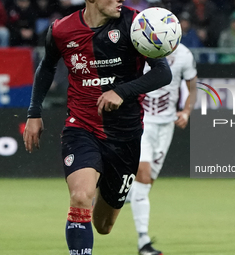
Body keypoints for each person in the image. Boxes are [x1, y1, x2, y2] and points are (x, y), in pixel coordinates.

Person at [23, 1, 172, 254]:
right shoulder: (61, 30)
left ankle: (104, 183)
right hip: (81, 127)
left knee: (103, 225)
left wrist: (121, 92)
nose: (120, 1)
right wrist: (34, 112)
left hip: (125, 135)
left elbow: (162, 73)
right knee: (81, 196)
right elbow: (47, 66)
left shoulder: (135, 23)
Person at [127, 42, 197, 255]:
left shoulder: (185, 54)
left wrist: (186, 112)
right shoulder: (140, 49)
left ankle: (114, 193)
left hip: (166, 125)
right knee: (144, 176)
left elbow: (193, 89)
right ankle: (143, 241)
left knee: (146, 184)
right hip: (142, 120)